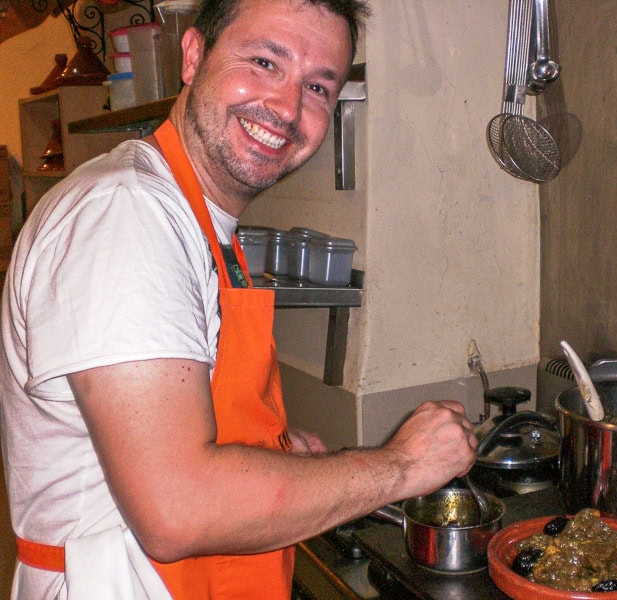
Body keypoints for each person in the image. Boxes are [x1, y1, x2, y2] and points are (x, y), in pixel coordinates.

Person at [0, 0, 478, 597]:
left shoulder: (194, 220)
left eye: (318, 86)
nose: (286, 107)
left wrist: (273, 454)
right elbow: (178, 509)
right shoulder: (125, 215)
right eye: (263, 61)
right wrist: (404, 465)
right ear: (194, 55)